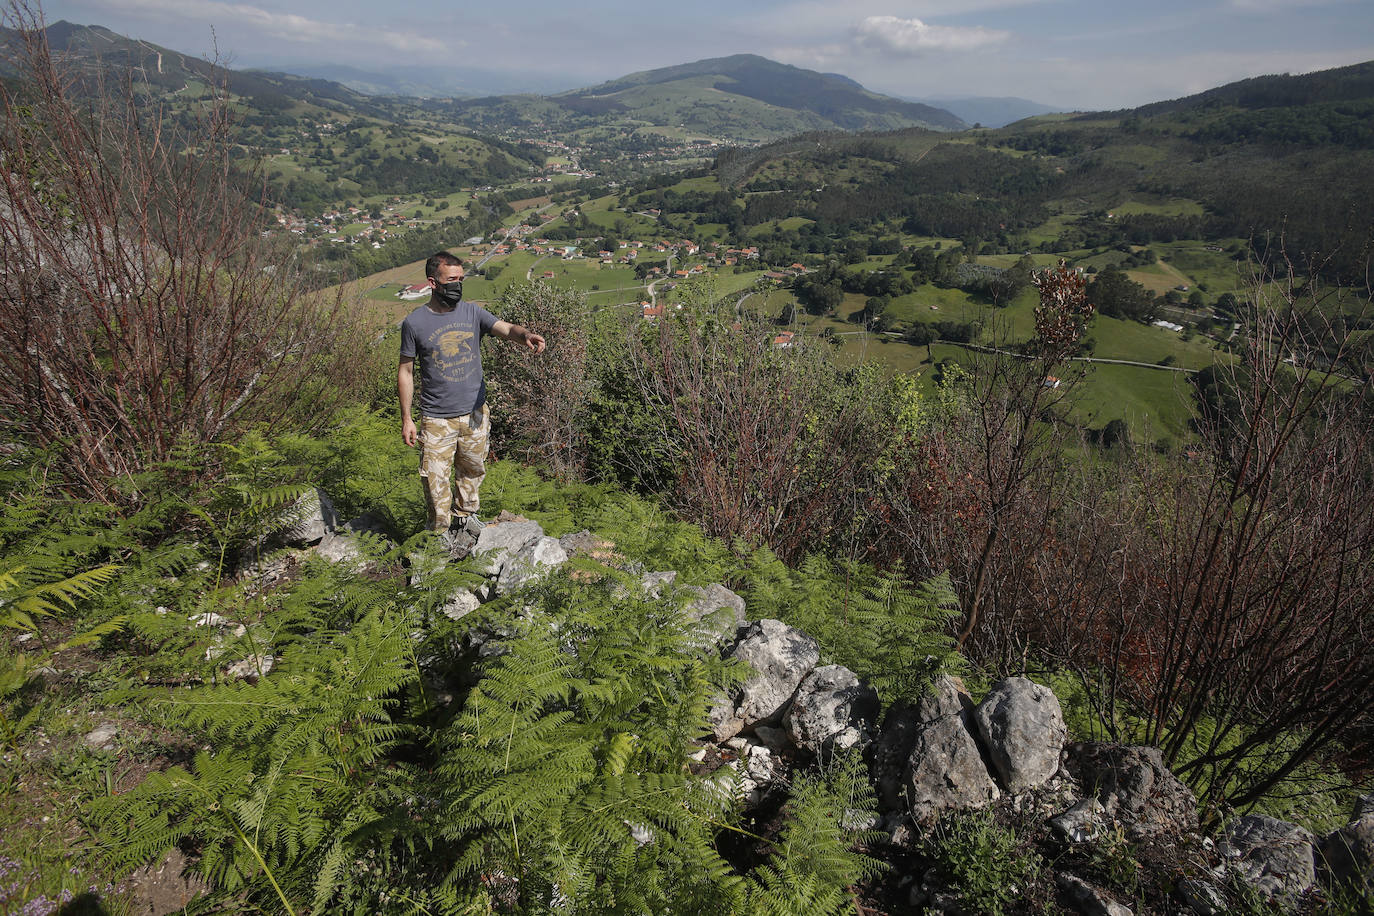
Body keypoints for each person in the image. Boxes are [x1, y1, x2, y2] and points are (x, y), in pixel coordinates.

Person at [398, 251, 545, 548]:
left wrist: (526, 335)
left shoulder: (472, 312)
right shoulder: (415, 323)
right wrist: (407, 418)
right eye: (451, 279)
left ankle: (466, 518)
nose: (457, 285)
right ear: (433, 282)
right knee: (434, 482)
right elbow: (406, 371)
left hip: (476, 414)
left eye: (461, 279)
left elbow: (505, 329)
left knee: (473, 470)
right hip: (437, 418)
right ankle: (439, 537)